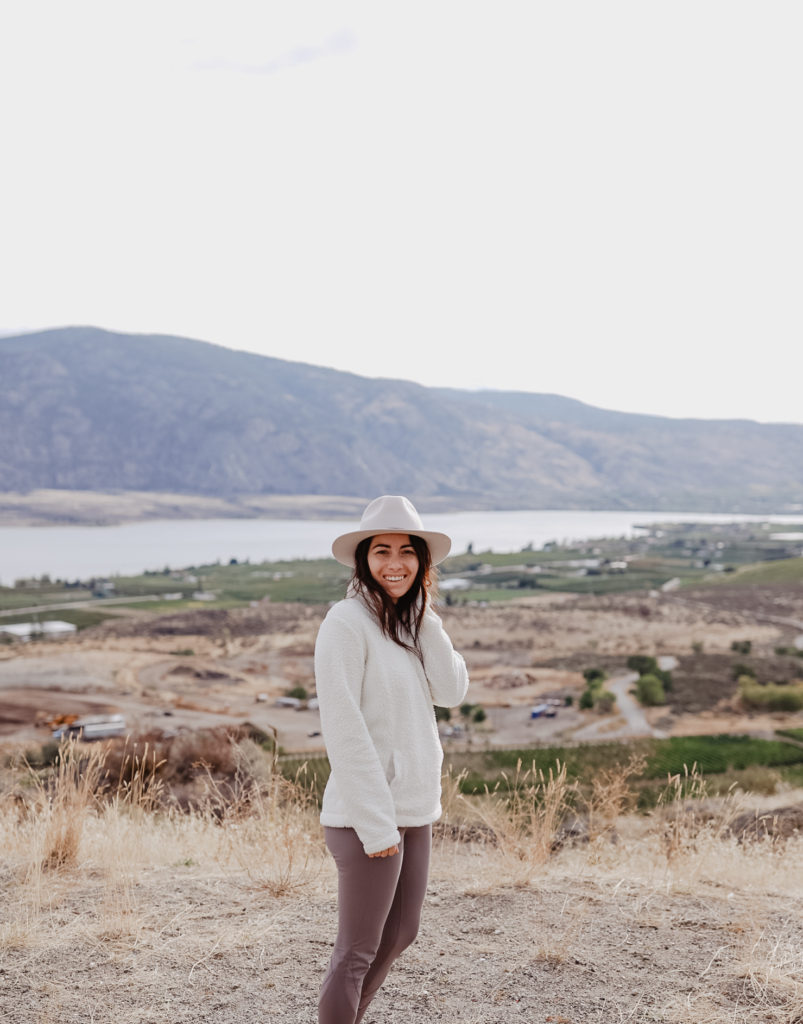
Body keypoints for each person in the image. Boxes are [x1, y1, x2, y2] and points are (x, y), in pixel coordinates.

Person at [315, 495, 469, 1024]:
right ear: (364, 559)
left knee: (402, 933)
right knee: (356, 952)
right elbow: (344, 730)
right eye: (382, 551)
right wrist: (376, 825)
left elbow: (451, 690)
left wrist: (425, 615)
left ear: (422, 562)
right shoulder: (345, 622)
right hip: (367, 816)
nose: (395, 563)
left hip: (413, 807)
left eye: (407, 552)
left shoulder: (409, 622)